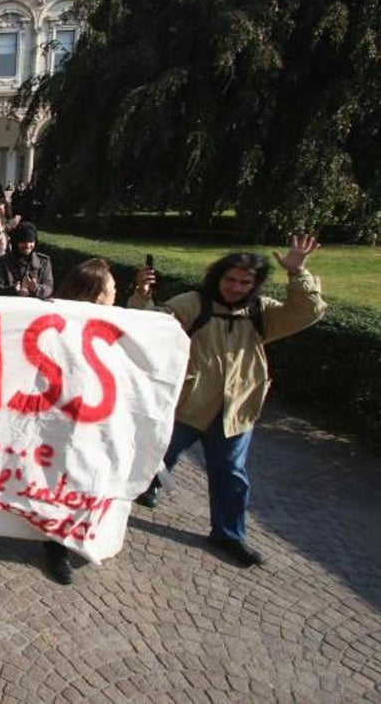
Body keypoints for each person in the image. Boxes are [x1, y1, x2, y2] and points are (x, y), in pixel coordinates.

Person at [129, 236, 326, 567]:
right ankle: (141, 491)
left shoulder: (261, 312)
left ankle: (229, 534)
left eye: (244, 282)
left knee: (231, 474)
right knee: (154, 456)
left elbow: (307, 312)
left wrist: (298, 274)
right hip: (187, 405)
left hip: (235, 410)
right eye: (230, 279)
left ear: (255, 284)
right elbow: (150, 328)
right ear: (218, 277)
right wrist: (142, 295)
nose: (236, 287)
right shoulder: (193, 304)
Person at [37, 258, 118, 584]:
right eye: (112, 289)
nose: (116, 294)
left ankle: (80, 532)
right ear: (96, 294)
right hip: (61, 415)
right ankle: (56, 544)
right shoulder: (54, 318)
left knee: (90, 475)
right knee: (63, 476)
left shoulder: (119, 321)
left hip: (99, 417)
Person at [0, 221, 53, 299]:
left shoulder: (43, 262)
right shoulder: (1, 263)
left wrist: (36, 289)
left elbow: (48, 286)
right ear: (16, 242)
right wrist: (13, 290)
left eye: (31, 242)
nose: (28, 245)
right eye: (24, 242)